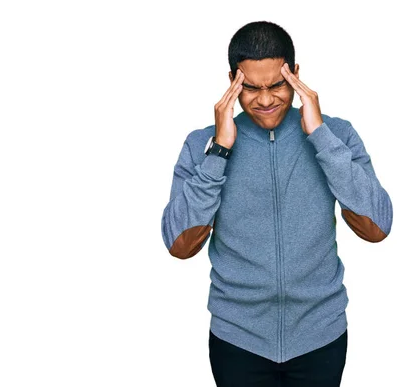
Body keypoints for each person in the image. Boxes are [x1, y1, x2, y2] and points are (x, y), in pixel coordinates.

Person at [161, 20, 393, 387]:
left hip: (321, 336)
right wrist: (220, 150)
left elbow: (377, 227)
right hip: (238, 339)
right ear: (232, 80)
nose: (266, 99)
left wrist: (320, 136)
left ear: (295, 75)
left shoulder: (337, 136)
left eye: (277, 85)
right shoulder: (201, 145)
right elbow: (180, 245)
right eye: (251, 88)